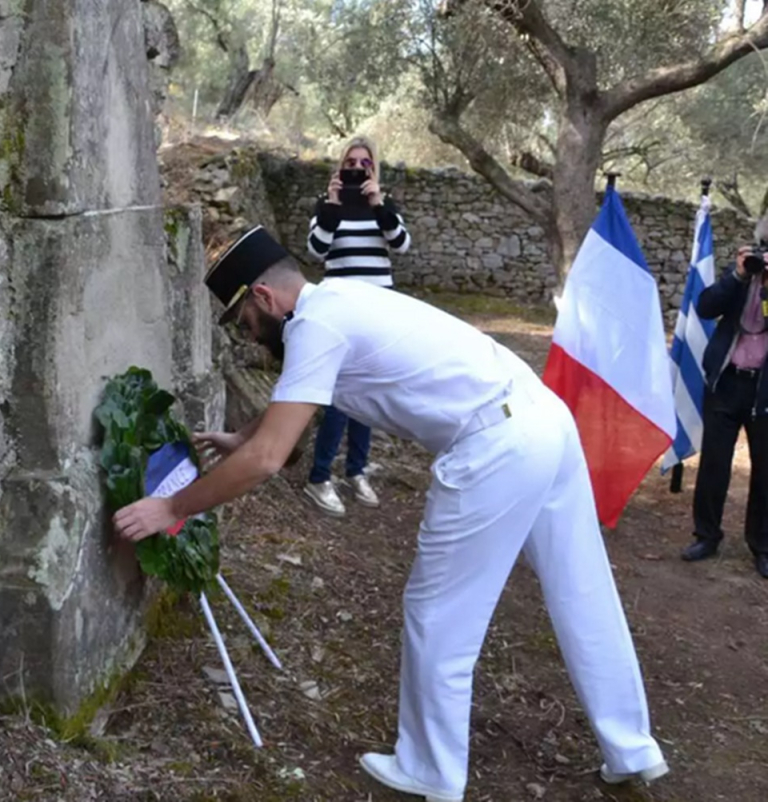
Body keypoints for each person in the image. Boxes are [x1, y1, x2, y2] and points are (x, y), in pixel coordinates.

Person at [113, 226, 668, 802]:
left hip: (496, 445)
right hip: (542, 419)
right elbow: (289, 413)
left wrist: (170, 507)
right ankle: (631, 747)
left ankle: (431, 768)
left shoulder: (314, 329)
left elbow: (268, 460)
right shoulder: (338, 300)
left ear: (263, 298)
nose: (247, 337)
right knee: (582, 589)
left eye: (242, 322)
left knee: (439, 614)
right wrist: (241, 435)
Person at [302, 135, 412, 515]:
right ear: (341, 165)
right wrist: (332, 207)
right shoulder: (326, 205)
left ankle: (357, 469)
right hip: (340, 311)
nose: (357, 168)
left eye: (365, 163)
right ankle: (319, 476)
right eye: (351, 162)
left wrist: (379, 204)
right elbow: (315, 250)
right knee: (339, 395)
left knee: (367, 393)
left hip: (378, 311)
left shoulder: (384, 204)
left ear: (373, 167)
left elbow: (401, 245)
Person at [679, 232, 768, 579]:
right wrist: (739, 275)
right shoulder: (741, 278)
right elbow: (705, 306)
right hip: (726, 382)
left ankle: (762, 545)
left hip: (763, 391)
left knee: (765, 471)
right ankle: (706, 536)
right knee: (715, 464)